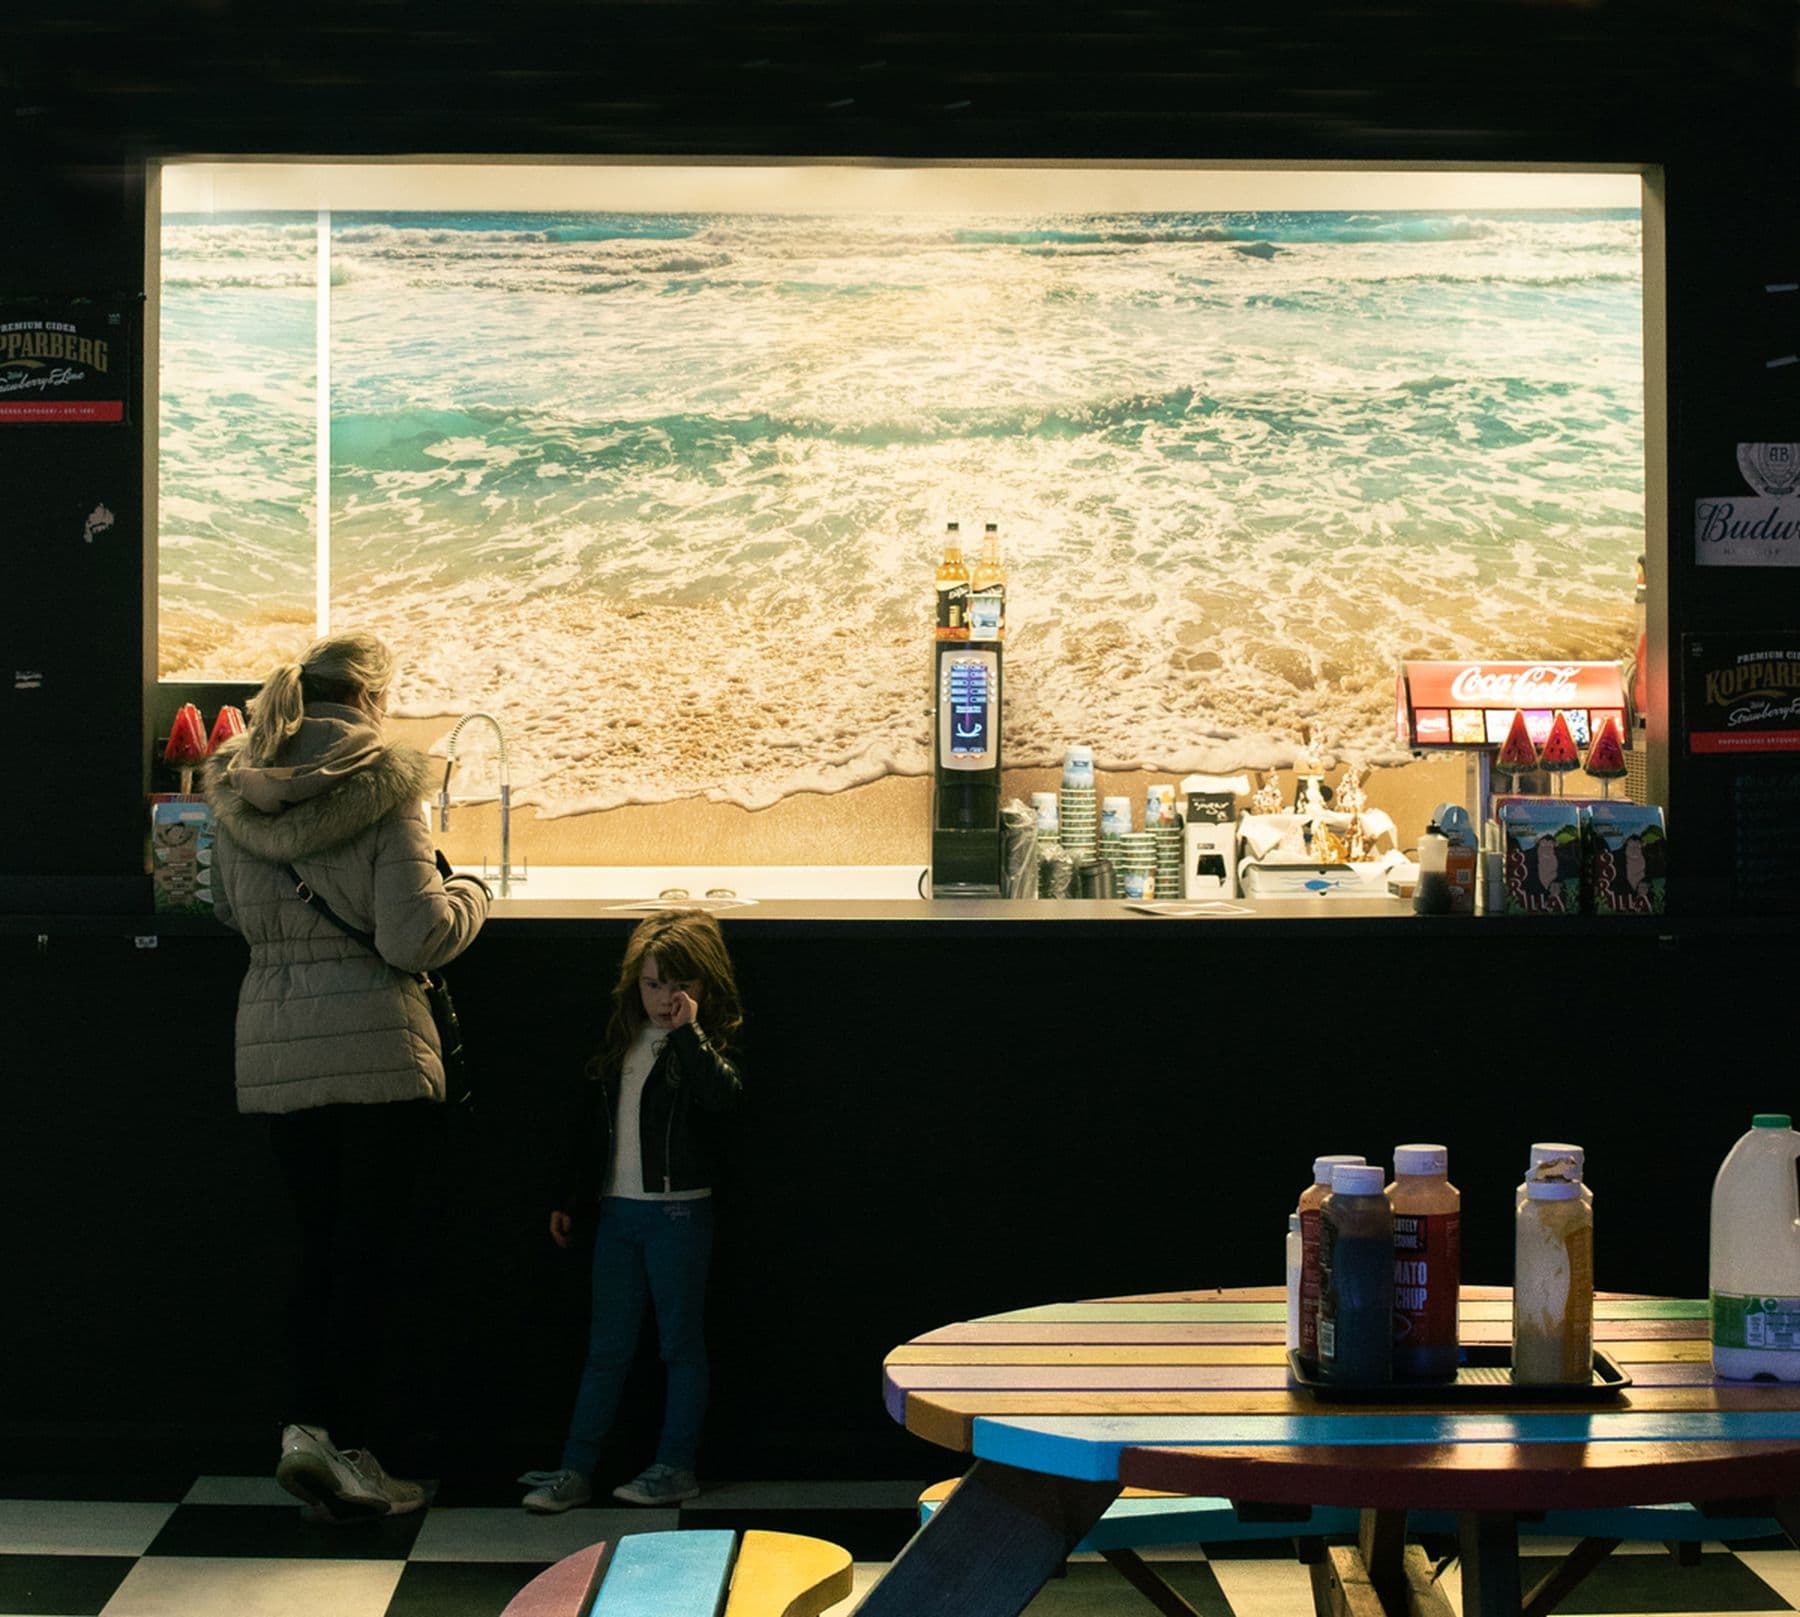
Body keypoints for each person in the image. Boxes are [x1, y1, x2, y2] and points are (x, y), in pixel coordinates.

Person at [203, 630, 491, 1523]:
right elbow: (414, 937)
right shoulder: (389, 786)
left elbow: (225, 906)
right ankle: (355, 1454)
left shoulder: (239, 787)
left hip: (274, 1055)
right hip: (374, 1052)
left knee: (315, 1251)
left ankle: (306, 1433)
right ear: (370, 699)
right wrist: (475, 893)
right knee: (369, 1262)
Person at [519, 909, 744, 1512]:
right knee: (607, 1346)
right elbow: (595, 1130)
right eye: (653, 984)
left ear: (704, 986)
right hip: (618, 1213)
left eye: (680, 985)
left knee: (679, 1345)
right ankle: (576, 1468)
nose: (666, 998)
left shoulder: (704, 1042)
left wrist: (690, 1033)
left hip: (678, 1214)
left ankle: (675, 1465)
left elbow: (723, 1098)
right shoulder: (622, 1039)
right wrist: (571, 1198)